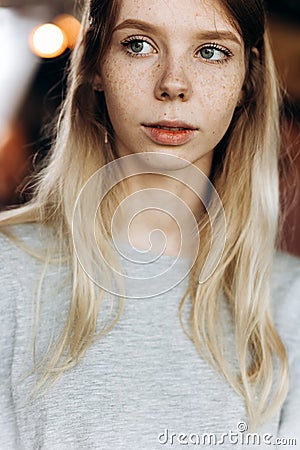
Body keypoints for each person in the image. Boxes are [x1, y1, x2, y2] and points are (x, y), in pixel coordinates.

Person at [0, 0, 299, 448]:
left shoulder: (289, 301)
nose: (173, 84)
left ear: (246, 80)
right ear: (97, 64)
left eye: (211, 51)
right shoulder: (10, 274)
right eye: (138, 45)